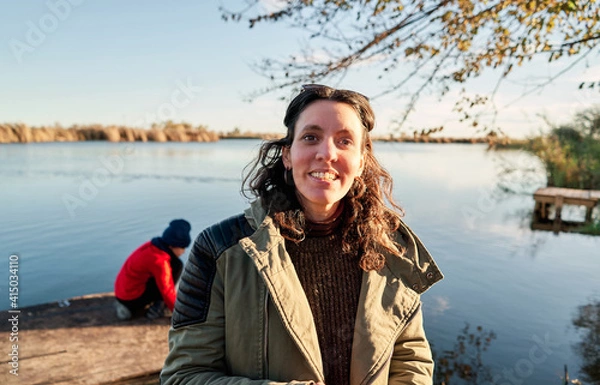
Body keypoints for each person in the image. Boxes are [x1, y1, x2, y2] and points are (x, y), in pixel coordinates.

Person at [161, 85, 443, 385]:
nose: (327, 153)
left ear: (361, 161)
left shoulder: (391, 249)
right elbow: (182, 376)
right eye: (311, 137)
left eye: (344, 141)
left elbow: (410, 358)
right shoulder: (218, 249)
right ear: (287, 155)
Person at [114, 219, 192, 320]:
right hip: (130, 299)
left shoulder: (152, 246)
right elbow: (167, 290)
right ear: (172, 246)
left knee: (174, 265)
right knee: (177, 266)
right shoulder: (159, 261)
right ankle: (156, 310)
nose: (183, 252)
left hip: (123, 292)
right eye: (182, 248)